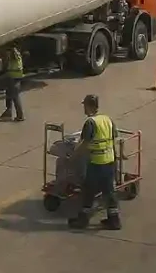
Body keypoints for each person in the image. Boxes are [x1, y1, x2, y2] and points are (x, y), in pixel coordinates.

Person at [68, 94, 121, 230]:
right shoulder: (107, 119)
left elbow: (85, 143)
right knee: (109, 191)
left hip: (97, 163)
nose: (84, 109)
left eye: (85, 106)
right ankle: (114, 220)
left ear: (89, 106)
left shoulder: (90, 122)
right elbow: (114, 139)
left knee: (88, 190)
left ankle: (83, 220)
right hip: (109, 161)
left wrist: (74, 156)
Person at [0, 46, 25, 122]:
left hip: (14, 80)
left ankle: (20, 116)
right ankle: (8, 111)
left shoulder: (13, 60)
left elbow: (10, 70)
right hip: (14, 79)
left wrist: (2, 76)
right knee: (9, 95)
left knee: (15, 97)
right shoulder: (17, 57)